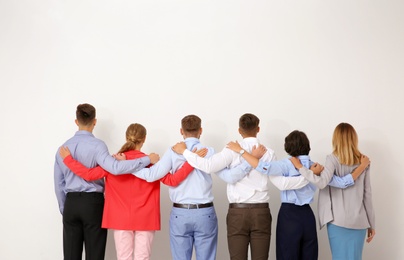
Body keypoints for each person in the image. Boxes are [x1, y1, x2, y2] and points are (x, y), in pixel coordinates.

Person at [59, 123, 206, 260]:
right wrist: (193, 160)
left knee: (123, 257)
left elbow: (88, 175)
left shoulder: (113, 162)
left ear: (126, 137)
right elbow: (172, 180)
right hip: (145, 218)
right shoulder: (152, 162)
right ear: (144, 139)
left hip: (120, 218)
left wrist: (68, 160)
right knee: (143, 257)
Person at [172, 114, 310, 260]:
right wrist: (307, 176)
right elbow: (281, 183)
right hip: (261, 212)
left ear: (239, 130)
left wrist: (184, 152)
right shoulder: (268, 153)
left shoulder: (231, 149)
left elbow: (207, 166)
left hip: (237, 213)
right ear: (258, 129)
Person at [227, 130, 368, 260]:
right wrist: (362, 167)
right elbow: (343, 183)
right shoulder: (316, 167)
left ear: (288, 148)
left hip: (288, 216)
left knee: (286, 255)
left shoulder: (286, 165)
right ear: (308, 146)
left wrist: (241, 151)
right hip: (307, 216)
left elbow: (263, 167)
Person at [54, 103, 159, 260]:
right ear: (94, 121)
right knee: (95, 255)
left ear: (76, 121)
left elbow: (59, 183)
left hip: (71, 203)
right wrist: (147, 159)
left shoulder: (63, 149)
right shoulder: (98, 146)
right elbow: (115, 168)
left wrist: (65, 207)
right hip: (93, 204)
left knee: (70, 255)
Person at [289, 123, 375, 260]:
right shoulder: (363, 161)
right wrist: (371, 223)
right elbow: (367, 194)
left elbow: (322, 182)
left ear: (336, 139)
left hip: (337, 221)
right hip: (359, 221)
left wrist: (301, 168)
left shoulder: (332, 159)